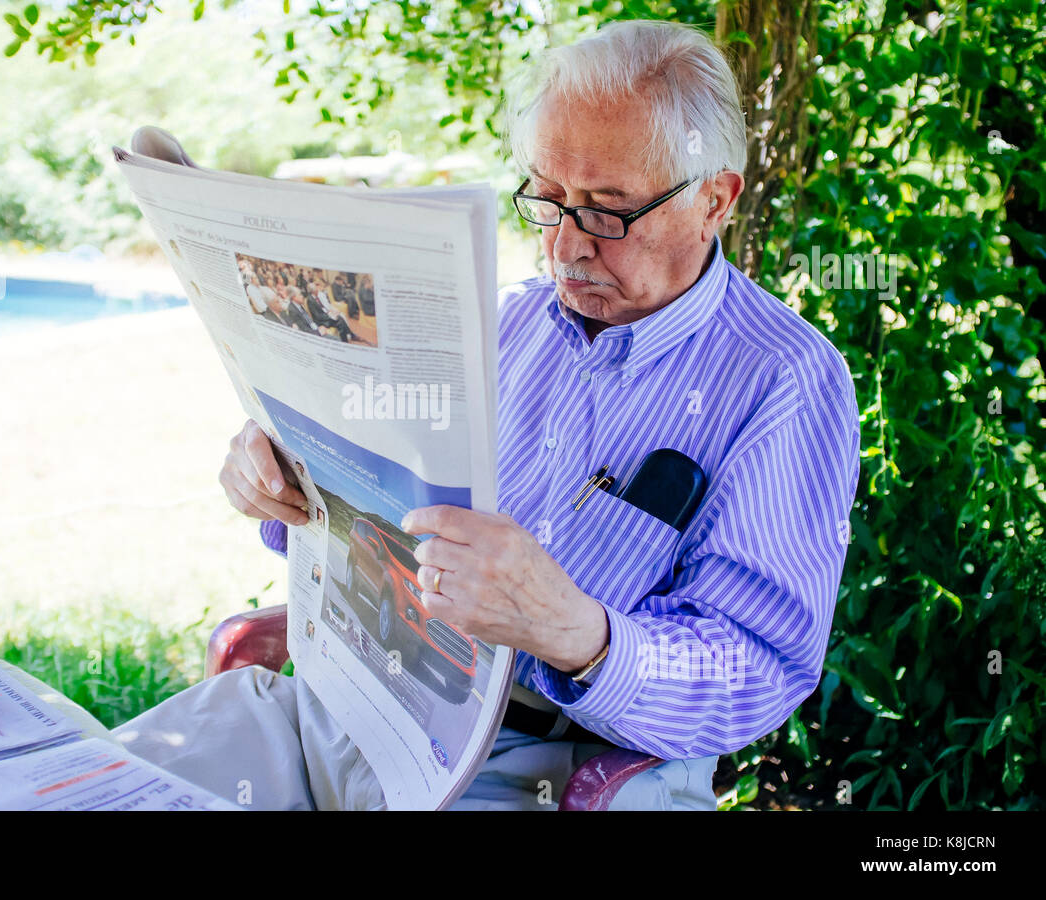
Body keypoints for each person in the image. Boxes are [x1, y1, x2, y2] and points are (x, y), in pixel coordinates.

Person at [112, 19, 859, 811]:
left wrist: (577, 632)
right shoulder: (503, 323)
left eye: (608, 211)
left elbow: (757, 667)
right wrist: (281, 479)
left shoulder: (785, 380)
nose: (568, 246)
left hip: (544, 762)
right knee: (102, 789)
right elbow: (376, 495)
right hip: (344, 705)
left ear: (714, 199)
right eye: (547, 198)